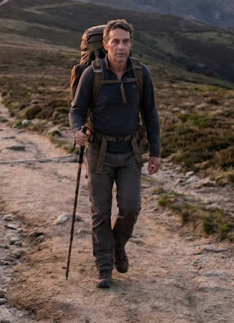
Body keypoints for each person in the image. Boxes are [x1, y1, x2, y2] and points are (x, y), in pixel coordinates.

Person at [69, 19, 161, 289]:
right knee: (100, 212)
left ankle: (117, 245)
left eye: (126, 41)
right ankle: (104, 268)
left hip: (131, 150)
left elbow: (151, 115)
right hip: (99, 151)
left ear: (131, 44)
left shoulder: (141, 74)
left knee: (131, 208)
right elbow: (76, 110)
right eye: (116, 41)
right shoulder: (93, 74)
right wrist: (77, 131)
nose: (121, 47)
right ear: (107, 44)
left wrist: (155, 152)